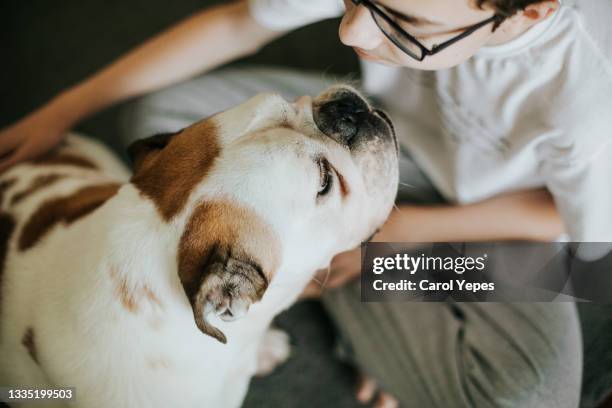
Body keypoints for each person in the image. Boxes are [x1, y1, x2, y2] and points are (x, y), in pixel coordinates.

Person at [3, 0, 609, 406]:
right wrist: (63, 112)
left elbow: (588, 252)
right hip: (366, 136)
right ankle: (339, 265)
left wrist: (406, 236)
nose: (352, 33)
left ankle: (353, 271)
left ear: (530, 9)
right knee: (156, 115)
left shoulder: (593, 94)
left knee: (530, 392)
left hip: (506, 218)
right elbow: (242, 20)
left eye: (400, 22)